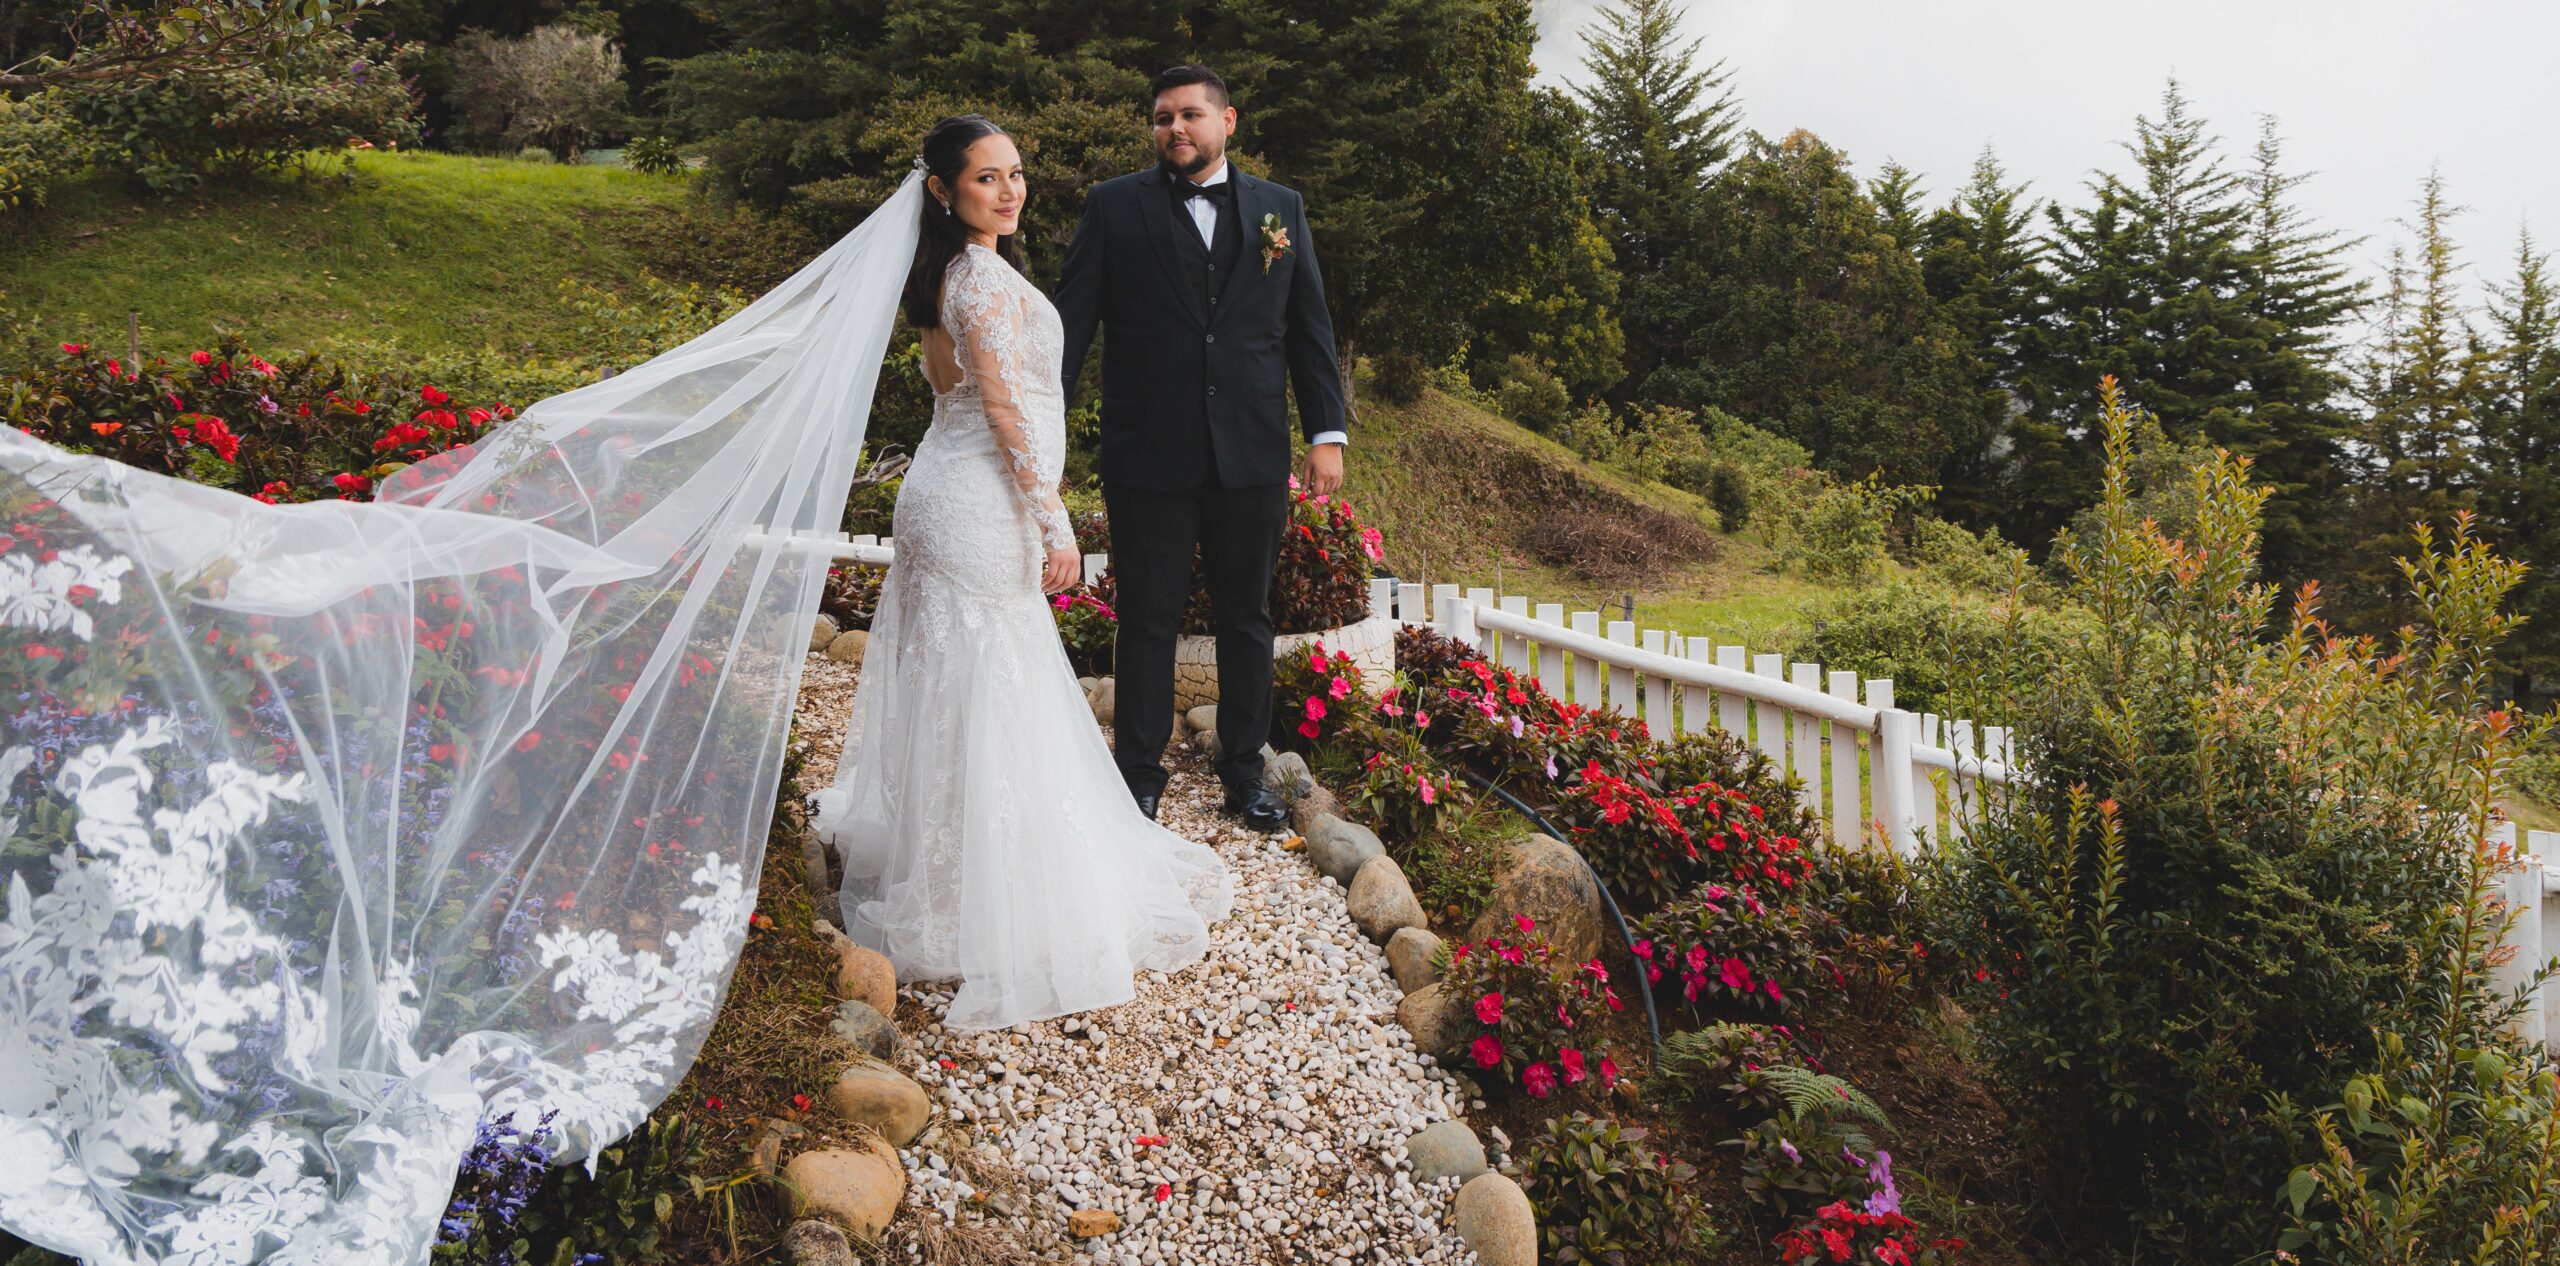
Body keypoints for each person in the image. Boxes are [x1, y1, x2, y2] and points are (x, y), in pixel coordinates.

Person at [809, 115, 1234, 1032]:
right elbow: (1003, 406)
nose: (1009, 191)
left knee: (962, 682)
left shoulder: (951, 274)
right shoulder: (977, 277)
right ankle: (984, 896)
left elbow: (962, 391)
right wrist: (1054, 521)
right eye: (986, 178)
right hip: (978, 503)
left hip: (949, 490)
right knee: (991, 682)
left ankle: (951, 866)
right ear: (943, 190)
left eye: (1015, 174)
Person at [1054, 64, 1349, 831]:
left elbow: (1309, 329)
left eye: (1189, 114)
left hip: (1251, 454)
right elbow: (1070, 330)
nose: (1174, 128)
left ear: (1228, 121)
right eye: (1162, 118)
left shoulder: (1281, 209)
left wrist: (1325, 433)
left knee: (1247, 619)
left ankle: (1245, 770)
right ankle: (1138, 776)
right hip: (1146, 457)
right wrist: (1044, 434)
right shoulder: (1113, 206)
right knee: (1146, 621)